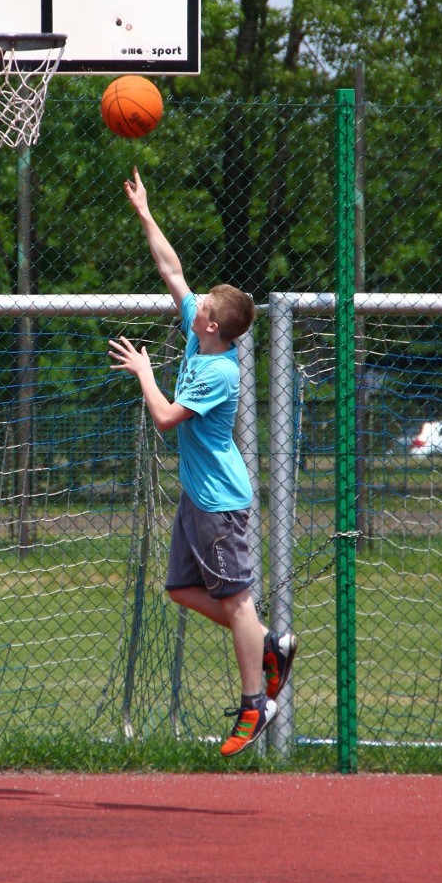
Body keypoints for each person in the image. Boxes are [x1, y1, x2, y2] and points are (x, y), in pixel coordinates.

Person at [108, 167, 297, 756]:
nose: (192, 304)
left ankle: (255, 703)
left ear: (212, 325)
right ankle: (270, 642)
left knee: (237, 601)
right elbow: (172, 268)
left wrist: (144, 373)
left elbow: (165, 420)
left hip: (221, 504)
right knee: (182, 590)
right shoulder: (201, 337)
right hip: (199, 499)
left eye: (202, 306)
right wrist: (144, 212)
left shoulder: (218, 370)